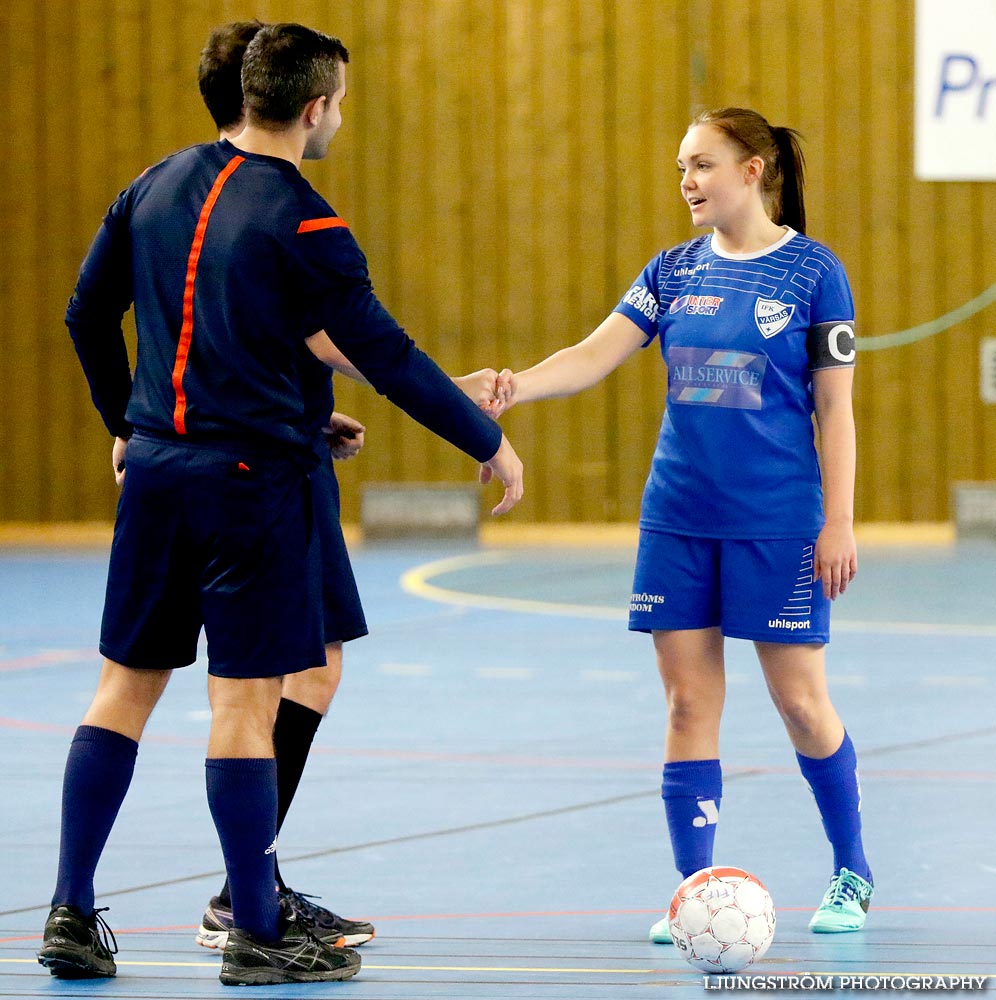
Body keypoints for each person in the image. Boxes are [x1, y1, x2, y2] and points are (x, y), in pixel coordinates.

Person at [38, 22, 522, 988]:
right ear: (315, 107)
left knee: (123, 691)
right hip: (250, 492)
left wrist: (127, 428)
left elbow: (90, 313)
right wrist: (490, 441)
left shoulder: (155, 185)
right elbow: (384, 354)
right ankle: (256, 930)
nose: (339, 115)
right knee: (244, 706)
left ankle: (70, 912)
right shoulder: (307, 221)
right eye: (338, 102)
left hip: (162, 477)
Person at [488, 107, 871, 943]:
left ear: (753, 171)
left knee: (801, 705)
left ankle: (852, 871)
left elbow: (835, 412)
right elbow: (591, 356)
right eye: (680, 169)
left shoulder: (814, 273)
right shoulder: (669, 270)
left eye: (701, 165)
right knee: (687, 702)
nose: (688, 182)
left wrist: (837, 521)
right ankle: (695, 888)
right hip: (678, 519)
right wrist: (515, 385)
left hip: (777, 521)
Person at [189, 22, 501, 953]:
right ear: (299, 99)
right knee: (259, 688)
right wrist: (468, 418)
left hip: (280, 445)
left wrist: (317, 411)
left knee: (310, 665)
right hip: (260, 471)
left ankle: (249, 883)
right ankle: (246, 899)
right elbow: (363, 342)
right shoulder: (275, 204)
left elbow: (298, 336)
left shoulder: (201, 196)